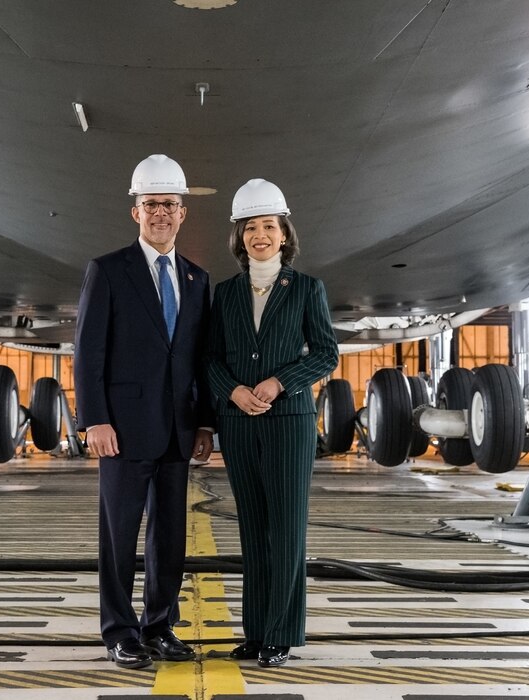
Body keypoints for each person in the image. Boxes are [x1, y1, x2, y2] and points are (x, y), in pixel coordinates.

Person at [74, 154, 215, 670]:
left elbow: (200, 359)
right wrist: (95, 419)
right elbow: (88, 351)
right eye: (151, 204)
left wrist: (204, 421)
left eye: (170, 206)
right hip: (122, 429)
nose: (161, 213)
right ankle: (119, 631)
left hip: (178, 431)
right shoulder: (109, 271)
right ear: (136, 212)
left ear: (183, 214)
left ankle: (160, 626)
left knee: (169, 539)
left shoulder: (198, 280)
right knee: (119, 536)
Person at [205, 178, 339, 668]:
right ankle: (256, 631)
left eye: (269, 226)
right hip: (239, 423)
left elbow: (326, 353)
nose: (259, 235)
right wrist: (234, 391)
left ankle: (281, 633)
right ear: (239, 237)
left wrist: (281, 382)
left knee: (286, 529)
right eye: (250, 228)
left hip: (288, 421)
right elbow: (211, 358)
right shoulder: (227, 293)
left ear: (285, 233)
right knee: (252, 529)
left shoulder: (306, 289)